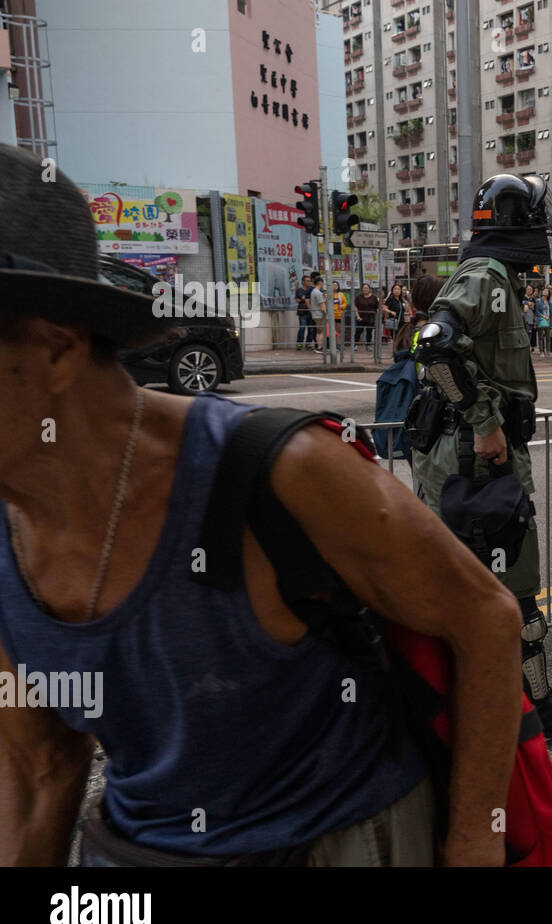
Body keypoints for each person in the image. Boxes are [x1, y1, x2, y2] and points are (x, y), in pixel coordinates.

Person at [0, 143, 522, 866]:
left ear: (56, 348)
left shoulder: (283, 470)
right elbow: (38, 768)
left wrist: (475, 841)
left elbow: (485, 616)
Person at [409, 173, 552, 740]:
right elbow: (434, 347)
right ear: (522, 225)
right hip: (476, 460)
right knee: (514, 591)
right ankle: (534, 707)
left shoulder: (497, 278)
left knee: (476, 588)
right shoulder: (488, 275)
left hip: (470, 457)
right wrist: (487, 424)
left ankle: (485, 705)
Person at [354, 282, 381, 348]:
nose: (365, 289)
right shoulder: (358, 297)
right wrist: (357, 316)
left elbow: (378, 307)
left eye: (366, 288)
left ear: (369, 289)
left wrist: (377, 315)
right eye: (364, 288)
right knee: (358, 331)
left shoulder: (374, 297)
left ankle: (368, 345)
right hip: (361, 317)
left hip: (370, 317)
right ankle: (355, 344)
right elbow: (355, 307)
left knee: (369, 331)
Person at [294, 273, 316, 350]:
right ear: (303, 282)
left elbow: (305, 299)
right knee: (302, 328)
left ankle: (309, 344)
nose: (309, 282)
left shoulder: (312, 289)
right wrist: (305, 298)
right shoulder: (299, 290)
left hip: (311, 312)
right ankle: (299, 343)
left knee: (311, 328)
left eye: (310, 281)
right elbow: (300, 298)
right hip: (303, 312)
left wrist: (304, 299)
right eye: (307, 281)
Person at [310, 275, 328, 353]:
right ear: (320, 283)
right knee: (322, 331)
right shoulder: (318, 293)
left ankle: (319, 347)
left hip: (315, 314)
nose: (323, 285)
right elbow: (322, 305)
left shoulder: (313, 291)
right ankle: (320, 348)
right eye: (323, 283)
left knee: (318, 331)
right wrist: (326, 314)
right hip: (319, 315)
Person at [332, 281, 348, 345]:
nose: (334, 287)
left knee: (338, 331)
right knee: (332, 331)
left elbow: (345, 303)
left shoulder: (341, 294)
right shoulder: (327, 294)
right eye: (333, 285)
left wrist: (341, 306)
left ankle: (338, 344)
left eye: (335, 285)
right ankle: (332, 344)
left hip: (339, 315)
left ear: (338, 286)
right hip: (331, 316)